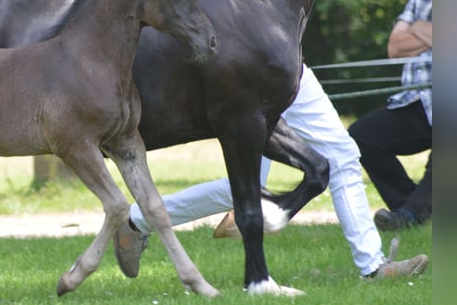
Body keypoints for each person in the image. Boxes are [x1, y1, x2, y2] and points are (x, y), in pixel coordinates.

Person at [114, 61, 430, 281]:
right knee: (243, 186)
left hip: (291, 68)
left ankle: (373, 267)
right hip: (250, 75)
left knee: (344, 156)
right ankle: (135, 220)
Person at [348, 0, 432, 231]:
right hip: (416, 100)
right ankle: (407, 206)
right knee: (362, 136)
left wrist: (418, 28)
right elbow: (395, 47)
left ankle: (409, 215)